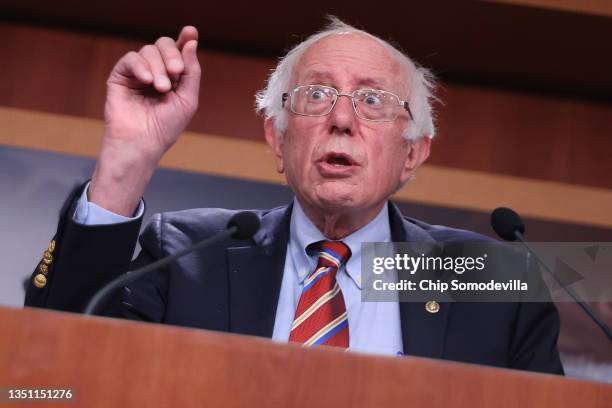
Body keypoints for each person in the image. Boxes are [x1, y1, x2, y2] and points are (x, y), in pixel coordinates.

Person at [25, 18, 563, 374]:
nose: (342, 119)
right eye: (317, 95)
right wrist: (128, 159)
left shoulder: (493, 277)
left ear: (413, 154)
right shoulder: (186, 254)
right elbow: (59, 371)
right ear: (277, 140)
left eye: (373, 100)